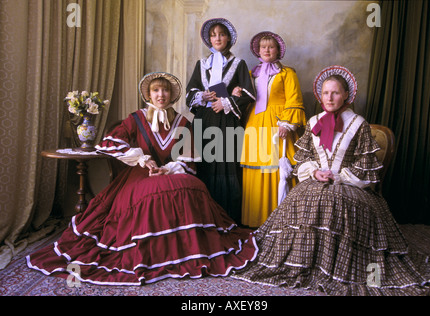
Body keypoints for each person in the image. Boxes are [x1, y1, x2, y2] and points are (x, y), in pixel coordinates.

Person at [232, 66, 430, 295]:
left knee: (333, 200)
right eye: (325, 93)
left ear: (346, 95)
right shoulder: (315, 121)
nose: (330, 98)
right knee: (303, 198)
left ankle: (335, 265)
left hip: (350, 185)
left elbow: (366, 166)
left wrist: (338, 176)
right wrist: (315, 172)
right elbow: (303, 156)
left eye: (335, 93)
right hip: (316, 180)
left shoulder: (358, 123)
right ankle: (303, 262)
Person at [26, 72, 258, 286]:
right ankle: (151, 253)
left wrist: (170, 168)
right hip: (140, 173)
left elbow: (189, 156)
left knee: (192, 185)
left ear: (171, 95)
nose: (161, 95)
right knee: (149, 194)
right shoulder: (136, 119)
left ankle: (186, 250)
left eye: (165, 91)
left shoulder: (182, 122)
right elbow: (111, 142)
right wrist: (142, 159)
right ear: (148, 94)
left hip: (170, 172)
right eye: (156, 91)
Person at [186, 18, 255, 224]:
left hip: (227, 123)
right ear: (208, 39)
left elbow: (249, 95)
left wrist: (226, 102)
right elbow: (190, 93)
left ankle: (228, 220)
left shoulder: (238, 64)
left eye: (222, 34)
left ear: (229, 39)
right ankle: (204, 219)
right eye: (213, 34)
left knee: (227, 169)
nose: (217, 38)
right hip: (204, 121)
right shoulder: (202, 64)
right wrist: (202, 97)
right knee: (204, 166)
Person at [237, 31, 306, 228]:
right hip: (255, 123)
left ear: (278, 50)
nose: (266, 50)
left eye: (271, 46)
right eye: (263, 47)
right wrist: (236, 92)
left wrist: (286, 123)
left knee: (280, 170)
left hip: (278, 125)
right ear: (258, 51)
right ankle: (256, 219)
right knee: (257, 168)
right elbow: (244, 97)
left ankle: (281, 220)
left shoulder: (287, 73)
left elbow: (295, 99)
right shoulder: (251, 74)